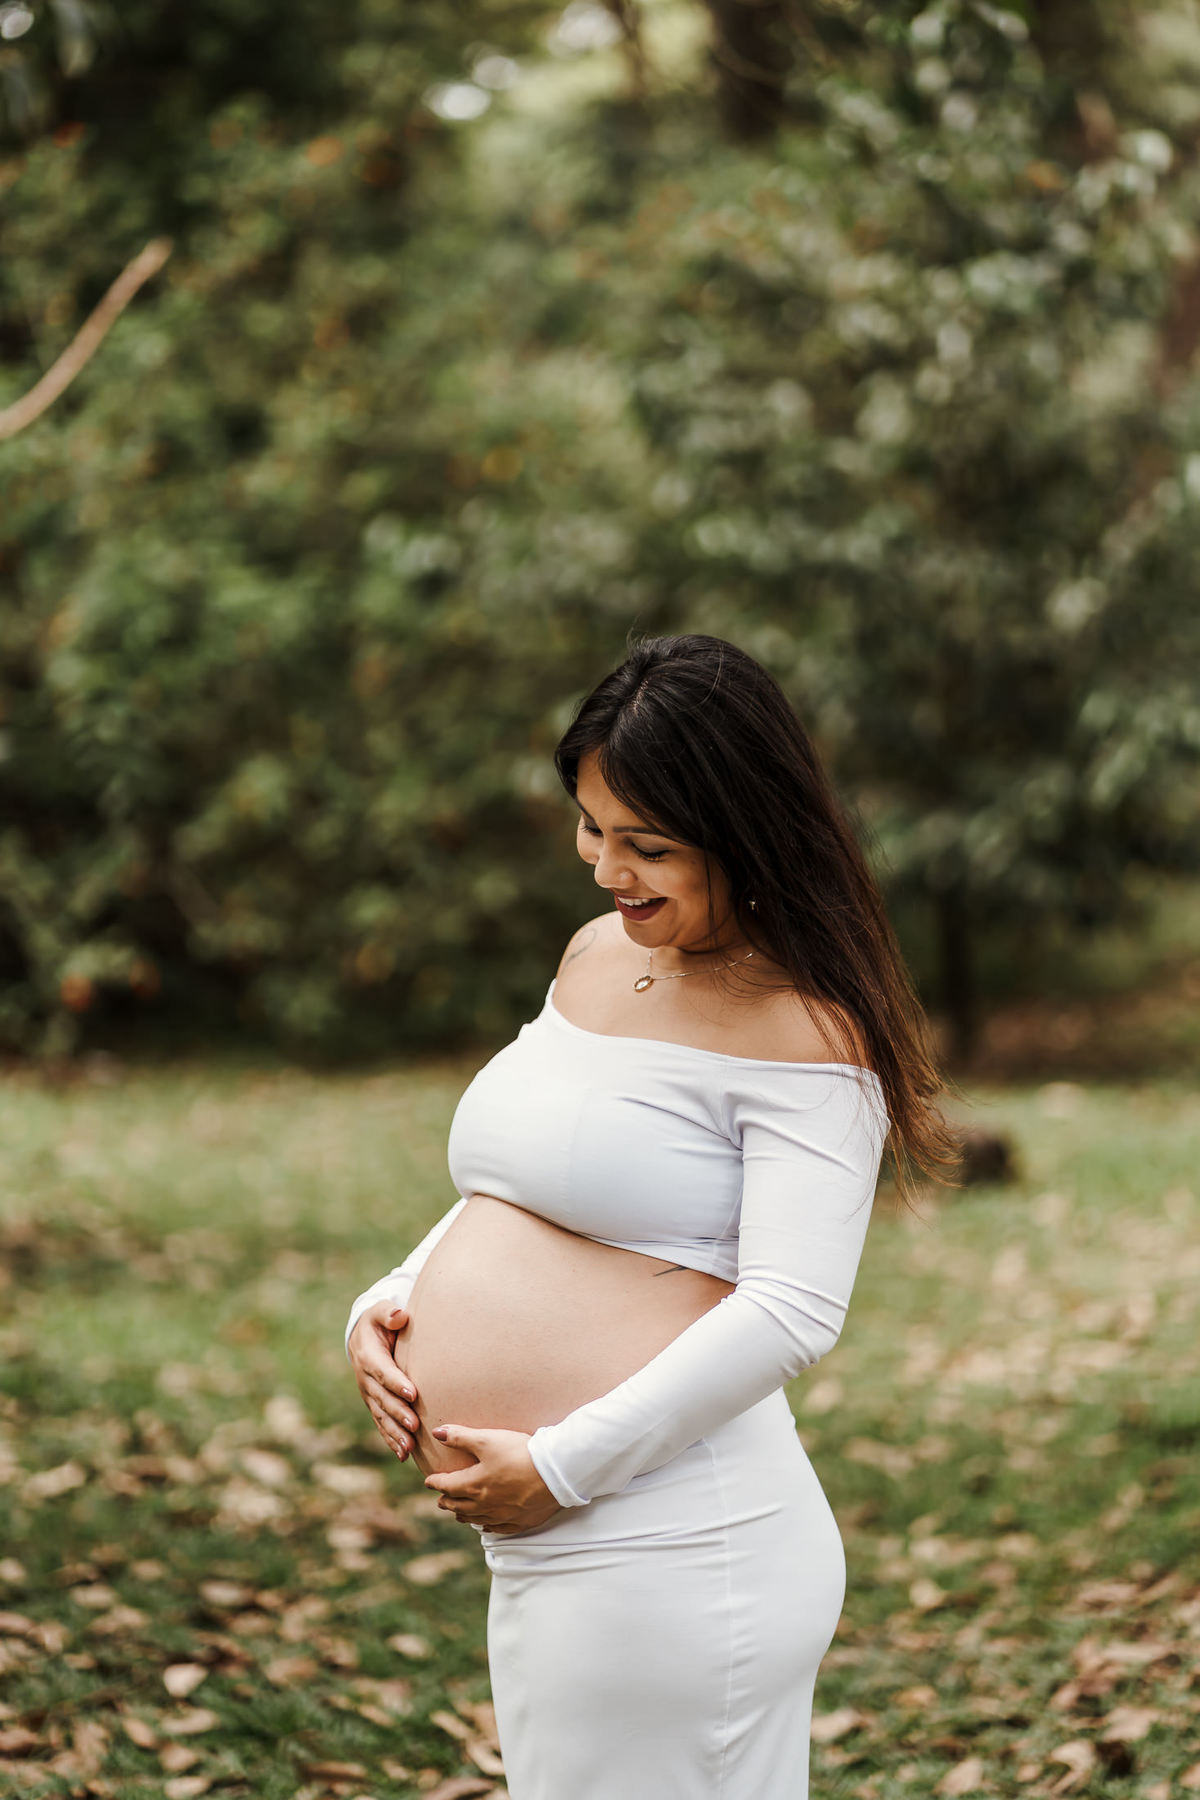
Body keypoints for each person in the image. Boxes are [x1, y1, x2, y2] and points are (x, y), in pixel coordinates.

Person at [345, 633, 957, 1799]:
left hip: (675, 1545)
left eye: (650, 846)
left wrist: (563, 1468)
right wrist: (388, 1302)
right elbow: (512, 1187)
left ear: (747, 833)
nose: (606, 870)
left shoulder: (806, 1031)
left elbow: (791, 1311)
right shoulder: (592, 958)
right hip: (562, 1553)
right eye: (591, 826)